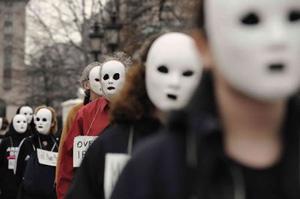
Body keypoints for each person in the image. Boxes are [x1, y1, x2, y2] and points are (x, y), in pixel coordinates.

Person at [111, 0, 300, 199]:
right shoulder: (150, 173)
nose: (278, 38)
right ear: (203, 47)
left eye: (294, 18)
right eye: (250, 20)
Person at [65, 32, 204, 199]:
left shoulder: (218, 144)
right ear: (144, 75)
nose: (174, 82)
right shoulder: (109, 143)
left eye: (187, 72)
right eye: (163, 70)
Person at [56, 52, 131, 199]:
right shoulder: (85, 114)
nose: (110, 82)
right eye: (105, 77)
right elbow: (68, 158)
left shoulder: (139, 112)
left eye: (116, 77)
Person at [55, 62, 101, 183]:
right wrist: (59, 180)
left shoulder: (116, 110)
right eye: (98, 78)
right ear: (86, 84)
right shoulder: (75, 112)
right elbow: (64, 150)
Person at [16, 106, 59, 199]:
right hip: (28, 194)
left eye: (44, 120)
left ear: (52, 123)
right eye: (38, 119)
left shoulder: (58, 145)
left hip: (50, 194)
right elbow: (18, 171)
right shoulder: (27, 142)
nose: (40, 122)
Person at [0, 114, 29, 199]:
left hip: (25, 185)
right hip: (7, 186)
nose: (22, 124)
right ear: (13, 124)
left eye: (24, 122)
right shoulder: (6, 142)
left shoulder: (30, 141)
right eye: (18, 122)